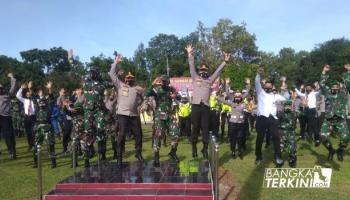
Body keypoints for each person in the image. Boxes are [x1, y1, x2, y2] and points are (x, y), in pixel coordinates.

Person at [186, 44, 230, 159]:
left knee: (205, 128)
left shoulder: (210, 80)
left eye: (205, 70)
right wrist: (190, 54)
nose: (204, 72)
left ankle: (204, 149)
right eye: (202, 70)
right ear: (200, 71)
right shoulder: (195, 78)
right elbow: (191, 66)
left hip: (205, 107)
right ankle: (194, 148)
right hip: (195, 106)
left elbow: (218, 71)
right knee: (195, 127)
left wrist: (225, 61)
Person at [109, 53, 144, 168]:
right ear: (125, 79)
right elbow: (112, 74)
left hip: (134, 114)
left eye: (131, 78)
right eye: (128, 78)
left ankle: (138, 153)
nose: (129, 79)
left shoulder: (137, 89)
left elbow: (145, 97)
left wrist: (141, 105)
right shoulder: (120, 85)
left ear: (134, 80)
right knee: (122, 134)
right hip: (122, 114)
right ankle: (119, 158)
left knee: (139, 134)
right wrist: (116, 62)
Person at [145, 75, 179, 166]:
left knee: (175, 133)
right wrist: (152, 84)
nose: (163, 82)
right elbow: (146, 93)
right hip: (159, 116)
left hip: (170, 115)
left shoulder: (171, 89)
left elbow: (178, 96)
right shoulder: (157, 89)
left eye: (165, 81)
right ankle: (156, 158)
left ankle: (173, 152)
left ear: (168, 81)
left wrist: (175, 94)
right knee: (158, 136)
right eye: (162, 81)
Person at [255, 67, 286, 166]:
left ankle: (278, 157)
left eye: (269, 86)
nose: (268, 88)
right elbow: (256, 81)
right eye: (266, 86)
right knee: (260, 138)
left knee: (276, 137)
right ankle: (258, 156)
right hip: (261, 118)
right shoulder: (260, 92)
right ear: (264, 87)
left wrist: (284, 88)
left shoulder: (275, 95)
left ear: (272, 87)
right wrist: (259, 74)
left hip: (272, 119)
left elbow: (285, 99)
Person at [319, 64, 349, 161]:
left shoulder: (343, 93)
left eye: (337, 88)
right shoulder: (327, 92)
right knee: (323, 137)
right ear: (331, 88)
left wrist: (348, 72)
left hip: (340, 120)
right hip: (329, 120)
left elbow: (348, 83)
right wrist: (324, 71)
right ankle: (331, 150)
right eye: (333, 88)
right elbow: (322, 84)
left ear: (339, 88)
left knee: (345, 138)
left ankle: (340, 150)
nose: (335, 89)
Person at [32, 81, 56, 168]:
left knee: (50, 146)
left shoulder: (49, 108)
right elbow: (33, 98)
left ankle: (53, 163)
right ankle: (35, 162)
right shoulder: (37, 108)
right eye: (40, 102)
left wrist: (49, 89)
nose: (41, 103)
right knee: (36, 146)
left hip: (48, 128)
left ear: (46, 103)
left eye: (43, 102)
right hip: (39, 128)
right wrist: (29, 88)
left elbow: (52, 98)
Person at [217, 91, 246, 159]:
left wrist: (248, 85)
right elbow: (224, 100)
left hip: (240, 123)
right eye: (236, 97)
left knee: (240, 138)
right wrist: (218, 98)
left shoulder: (243, 104)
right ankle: (233, 151)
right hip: (233, 123)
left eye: (239, 97)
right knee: (233, 138)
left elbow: (250, 108)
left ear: (241, 98)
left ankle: (239, 152)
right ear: (234, 98)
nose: (237, 98)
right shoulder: (232, 103)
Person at [0, 73, 17, 159]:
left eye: (1, 88)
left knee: (9, 135)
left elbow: (13, 88)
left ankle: (12, 152)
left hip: (6, 117)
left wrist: (12, 78)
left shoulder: (7, 95)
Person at [16, 82, 37, 152]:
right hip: (27, 117)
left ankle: (35, 145)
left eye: (29, 92)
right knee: (28, 132)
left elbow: (33, 95)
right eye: (27, 92)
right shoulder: (25, 100)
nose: (28, 93)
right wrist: (21, 88)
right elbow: (17, 96)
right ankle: (30, 145)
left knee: (33, 131)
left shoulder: (34, 99)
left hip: (33, 117)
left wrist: (30, 88)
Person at [278, 100, 298, 167]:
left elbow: (305, 114)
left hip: (291, 133)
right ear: (284, 106)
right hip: (282, 133)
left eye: (289, 106)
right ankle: (279, 161)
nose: (287, 107)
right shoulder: (280, 113)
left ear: (291, 106)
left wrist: (305, 106)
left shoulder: (294, 113)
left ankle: (292, 160)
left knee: (292, 148)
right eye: (286, 106)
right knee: (279, 148)